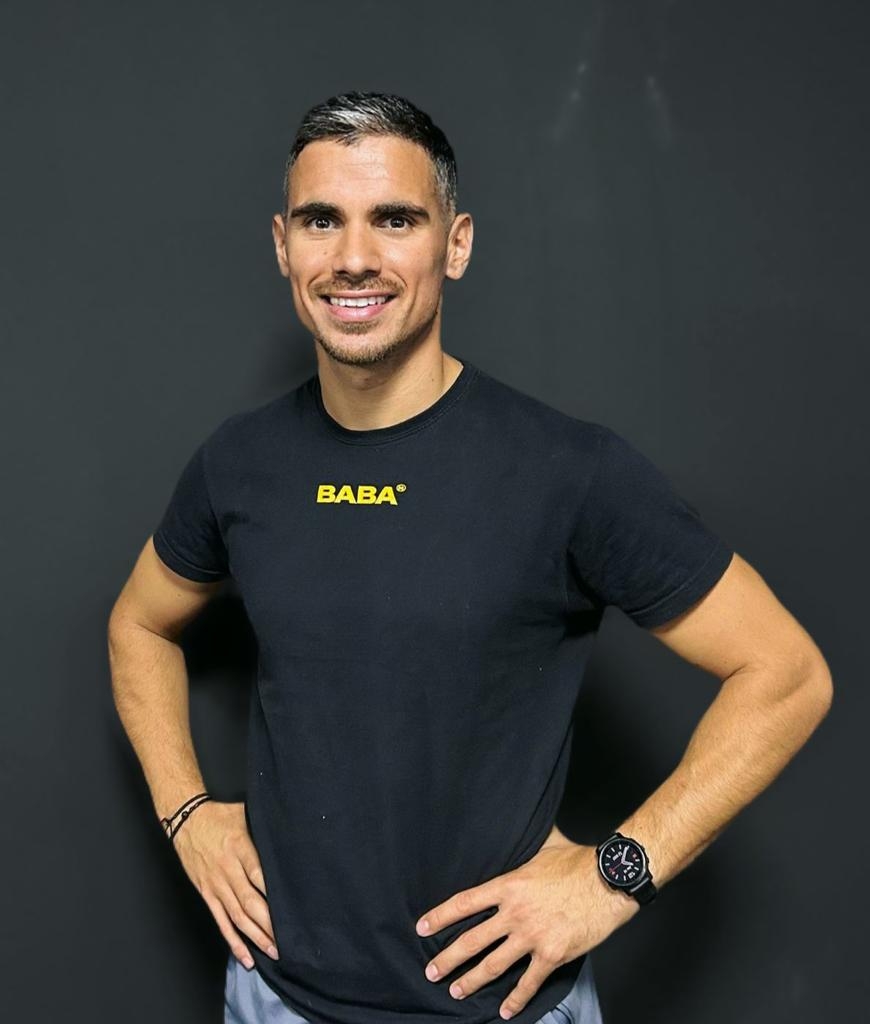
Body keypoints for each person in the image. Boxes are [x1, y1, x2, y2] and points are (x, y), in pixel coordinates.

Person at [107, 91, 833, 1024]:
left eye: (395, 219)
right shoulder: (240, 462)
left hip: (503, 1010)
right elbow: (139, 625)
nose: (354, 257)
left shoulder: (567, 470)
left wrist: (614, 877)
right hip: (276, 1000)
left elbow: (786, 674)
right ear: (283, 246)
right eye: (322, 220)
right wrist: (186, 814)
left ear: (456, 245)